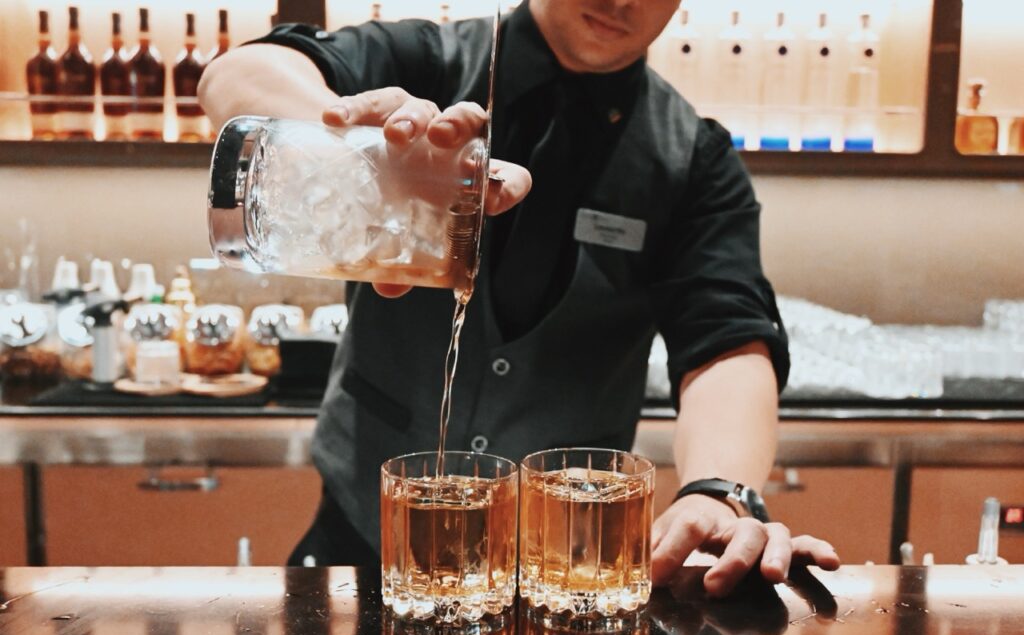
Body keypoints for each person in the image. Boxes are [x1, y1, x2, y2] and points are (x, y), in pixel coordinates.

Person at [199, 0, 840, 597]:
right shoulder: (427, 59)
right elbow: (241, 71)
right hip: (360, 548)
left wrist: (714, 492)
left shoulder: (693, 159)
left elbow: (726, 341)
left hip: (564, 567)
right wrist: (354, 149)